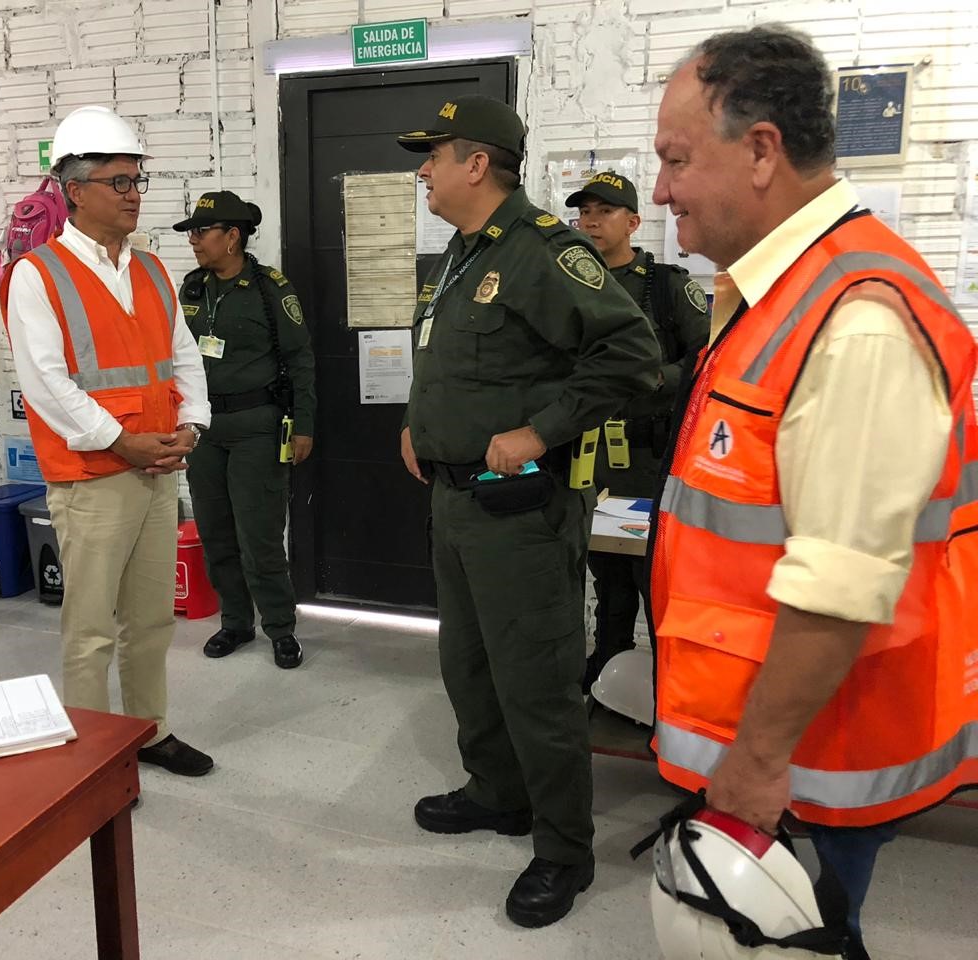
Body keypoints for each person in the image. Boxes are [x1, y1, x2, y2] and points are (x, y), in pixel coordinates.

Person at [648, 25, 978, 959]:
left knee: (809, 937)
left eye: (676, 159)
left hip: (809, 759)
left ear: (762, 151)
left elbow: (842, 579)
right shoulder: (776, 291)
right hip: (777, 737)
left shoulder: (854, 318)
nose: (661, 189)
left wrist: (756, 763)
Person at [395, 96, 661, 927]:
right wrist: (417, 424)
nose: (423, 171)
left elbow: (632, 353)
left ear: (477, 164)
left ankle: (564, 850)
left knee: (536, 683)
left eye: (434, 155)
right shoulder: (460, 255)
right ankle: (497, 792)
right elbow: (455, 363)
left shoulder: (544, 250)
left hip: (522, 511)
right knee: (469, 666)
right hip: (454, 501)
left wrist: (542, 430)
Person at [2, 105, 215, 777]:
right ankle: (92, 762)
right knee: (91, 628)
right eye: (118, 181)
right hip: (93, 475)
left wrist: (194, 423)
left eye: (136, 180)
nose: (133, 194)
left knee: (151, 620)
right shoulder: (38, 274)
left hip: (158, 466)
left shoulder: (150, 268)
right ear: (74, 189)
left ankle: (149, 730)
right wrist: (122, 442)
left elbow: (183, 355)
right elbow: (46, 383)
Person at [567, 172, 709, 692]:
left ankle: (667, 683)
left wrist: (655, 379)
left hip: (651, 457)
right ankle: (607, 668)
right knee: (607, 576)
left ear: (632, 222)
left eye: (604, 212)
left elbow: (706, 357)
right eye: (584, 212)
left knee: (654, 575)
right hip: (591, 456)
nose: (591, 222)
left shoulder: (667, 286)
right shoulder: (570, 285)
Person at [172, 191, 317, 670]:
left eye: (201, 231)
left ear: (232, 236)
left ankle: (280, 627)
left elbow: (300, 359)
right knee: (216, 533)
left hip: (257, 427)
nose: (193, 241)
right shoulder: (193, 289)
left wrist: (304, 425)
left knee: (259, 537)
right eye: (191, 232)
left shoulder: (269, 288)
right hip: (205, 430)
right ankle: (235, 622)